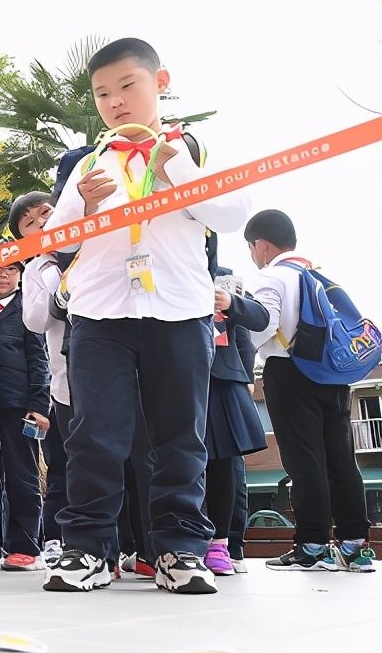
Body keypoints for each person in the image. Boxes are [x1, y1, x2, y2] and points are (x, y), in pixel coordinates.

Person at [42, 38, 249, 594]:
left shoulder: (193, 151)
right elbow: (54, 242)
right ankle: (87, 550)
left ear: (160, 82)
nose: (116, 102)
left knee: (181, 436)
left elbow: (232, 211)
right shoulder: (87, 161)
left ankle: (180, 550)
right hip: (99, 312)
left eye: (128, 86)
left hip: (179, 311)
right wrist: (82, 204)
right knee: (94, 435)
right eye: (103, 93)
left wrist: (174, 167)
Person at [245, 209, 375, 572]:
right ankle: (355, 546)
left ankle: (313, 544)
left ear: (262, 245)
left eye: (251, 248)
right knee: (342, 459)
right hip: (335, 372)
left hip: (289, 370)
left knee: (305, 460)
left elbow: (262, 324)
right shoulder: (319, 274)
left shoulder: (271, 276)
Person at [0, 262, 51, 571]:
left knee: (22, 474)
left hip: (19, 404)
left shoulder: (27, 310)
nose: (3, 276)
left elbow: (39, 358)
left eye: (11, 270)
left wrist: (39, 405)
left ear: (20, 274)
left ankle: (26, 546)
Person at [14, 193, 70, 566]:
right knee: (65, 464)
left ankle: (134, 543)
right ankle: (62, 538)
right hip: (67, 376)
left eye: (46, 213)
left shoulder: (95, 246)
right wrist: (56, 279)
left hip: (124, 368)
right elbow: (35, 321)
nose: (42, 224)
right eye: (30, 224)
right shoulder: (36, 270)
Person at [202, 267, 269, 574]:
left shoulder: (224, 278)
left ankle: (223, 544)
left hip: (222, 378)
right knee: (175, 463)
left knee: (226, 465)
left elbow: (251, 323)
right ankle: (178, 542)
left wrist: (243, 374)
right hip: (171, 376)